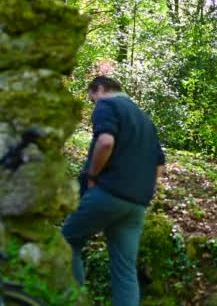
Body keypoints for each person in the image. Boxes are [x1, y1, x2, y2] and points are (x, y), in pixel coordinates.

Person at [62, 76, 165, 306]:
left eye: (92, 98)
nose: (93, 104)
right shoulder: (145, 119)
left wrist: (92, 175)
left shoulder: (107, 104)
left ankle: (75, 301)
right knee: (125, 269)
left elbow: (106, 142)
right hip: (137, 204)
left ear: (100, 89)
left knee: (66, 244)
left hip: (107, 193)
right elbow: (160, 164)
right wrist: (144, 191)